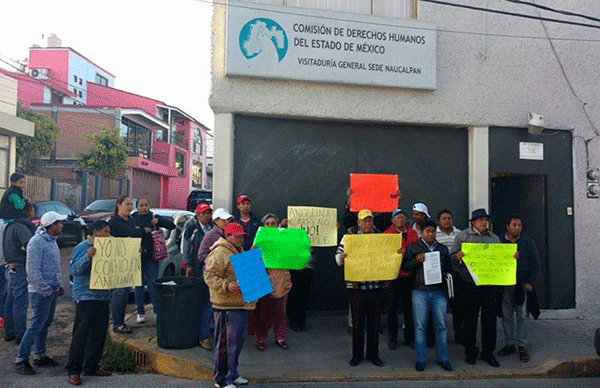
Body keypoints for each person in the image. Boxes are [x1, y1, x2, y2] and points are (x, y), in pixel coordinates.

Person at [14, 211, 66, 375]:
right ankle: (21, 359)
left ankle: (40, 355)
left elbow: (53, 267)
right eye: (60, 223)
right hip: (40, 292)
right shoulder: (36, 242)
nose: (62, 225)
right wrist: (44, 289)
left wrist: (58, 286)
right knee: (37, 324)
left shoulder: (51, 240)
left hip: (50, 291)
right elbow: (33, 270)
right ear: (52, 226)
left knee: (45, 323)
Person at [204, 222, 255, 388]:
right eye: (237, 235)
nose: (240, 238)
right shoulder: (219, 252)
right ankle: (221, 379)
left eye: (242, 236)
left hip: (239, 303)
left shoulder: (238, 250)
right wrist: (227, 285)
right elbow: (210, 276)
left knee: (236, 343)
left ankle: (232, 374)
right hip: (226, 305)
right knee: (225, 344)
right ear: (228, 236)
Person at [451, 208, 502, 367]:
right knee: (470, 319)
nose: (483, 222)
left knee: (489, 320)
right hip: (469, 284)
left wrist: (510, 257)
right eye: (480, 220)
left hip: (489, 284)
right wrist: (457, 256)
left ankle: (488, 352)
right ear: (473, 222)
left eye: (485, 220)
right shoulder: (462, 236)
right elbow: (451, 257)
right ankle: (470, 352)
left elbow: (500, 259)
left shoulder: (494, 238)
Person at [66, 220, 113, 386]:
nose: (109, 235)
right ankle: (74, 371)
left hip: (103, 296)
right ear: (96, 233)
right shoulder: (81, 247)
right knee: (81, 335)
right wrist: (88, 257)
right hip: (86, 296)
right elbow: (74, 271)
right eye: (106, 231)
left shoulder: (110, 246)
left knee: (99, 334)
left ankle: (92, 366)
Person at [336, 209, 385, 367]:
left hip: (375, 285)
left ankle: (373, 355)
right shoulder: (349, 237)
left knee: (374, 324)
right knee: (357, 324)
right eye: (364, 220)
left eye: (370, 220)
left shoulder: (380, 237)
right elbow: (338, 256)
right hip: (357, 286)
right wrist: (341, 258)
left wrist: (397, 253)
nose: (367, 223)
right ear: (358, 222)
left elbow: (387, 255)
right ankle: (356, 355)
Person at [402, 220, 453, 372]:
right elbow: (405, 266)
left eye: (433, 231)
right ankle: (420, 360)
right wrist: (416, 261)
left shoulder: (442, 249)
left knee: (441, 326)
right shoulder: (414, 248)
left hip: (439, 291)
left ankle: (443, 359)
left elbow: (449, 268)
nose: (430, 234)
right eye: (427, 231)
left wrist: (444, 270)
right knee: (420, 327)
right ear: (422, 233)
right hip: (419, 291)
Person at [498, 214, 540, 363]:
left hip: (522, 285)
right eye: (514, 225)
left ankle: (522, 345)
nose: (517, 228)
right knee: (506, 315)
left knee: (522, 315)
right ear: (507, 227)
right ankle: (509, 344)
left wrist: (531, 282)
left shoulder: (528, 242)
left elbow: (536, 263)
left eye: (519, 225)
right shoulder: (500, 242)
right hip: (505, 286)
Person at [131, 198, 175, 323]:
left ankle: (156, 311)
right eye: (141, 205)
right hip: (137, 257)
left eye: (146, 205)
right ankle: (140, 312)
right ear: (137, 206)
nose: (143, 207)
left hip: (152, 257)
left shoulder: (154, 217)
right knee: (138, 286)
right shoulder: (132, 218)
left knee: (152, 284)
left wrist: (159, 221)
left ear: (149, 205)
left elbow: (172, 226)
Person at [254, 214, 292, 351]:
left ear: (277, 225)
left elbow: (293, 254)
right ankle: (261, 339)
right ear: (264, 226)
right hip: (264, 281)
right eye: (268, 224)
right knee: (264, 313)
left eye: (273, 223)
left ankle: (280, 338)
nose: (270, 226)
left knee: (281, 313)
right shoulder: (259, 240)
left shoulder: (284, 240)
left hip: (282, 281)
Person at [196, 207, 233, 350]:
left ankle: (222, 336)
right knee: (209, 306)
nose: (226, 221)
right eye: (223, 219)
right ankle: (204, 337)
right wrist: (216, 261)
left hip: (226, 277)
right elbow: (201, 255)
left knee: (222, 306)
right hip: (213, 276)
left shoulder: (228, 234)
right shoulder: (211, 235)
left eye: (227, 219)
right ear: (216, 221)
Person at [108, 196, 144, 334]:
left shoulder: (131, 220)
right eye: (126, 204)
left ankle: (121, 321)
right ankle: (117, 323)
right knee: (119, 293)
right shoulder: (113, 222)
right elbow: (111, 243)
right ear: (118, 205)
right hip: (118, 264)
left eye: (131, 204)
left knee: (125, 294)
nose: (129, 207)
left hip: (131, 262)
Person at [384, 208, 419, 350]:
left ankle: (409, 338)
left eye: (403, 217)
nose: (401, 220)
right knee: (391, 309)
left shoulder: (413, 234)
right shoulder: (387, 234)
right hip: (393, 277)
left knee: (409, 309)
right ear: (393, 221)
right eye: (397, 218)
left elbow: (417, 251)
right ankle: (392, 338)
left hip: (409, 277)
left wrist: (407, 252)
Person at [3, 202, 36, 344]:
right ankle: (20, 336)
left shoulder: (10, 226)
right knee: (20, 304)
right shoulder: (22, 227)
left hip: (10, 268)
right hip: (19, 268)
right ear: (29, 212)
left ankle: (9, 332)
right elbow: (31, 246)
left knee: (10, 302)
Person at [435, 209, 464, 345]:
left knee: (458, 307)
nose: (447, 220)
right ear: (439, 221)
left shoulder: (460, 234)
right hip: (439, 275)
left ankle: (459, 334)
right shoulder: (433, 233)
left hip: (456, 275)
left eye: (449, 218)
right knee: (438, 307)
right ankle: (437, 337)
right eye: (444, 218)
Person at [182, 203, 213, 277]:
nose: (206, 216)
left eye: (208, 213)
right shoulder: (191, 228)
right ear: (198, 216)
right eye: (204, 213)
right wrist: (188, 264)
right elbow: (186, 247)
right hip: (196, 264)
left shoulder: (213, 228)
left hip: (210, 264)